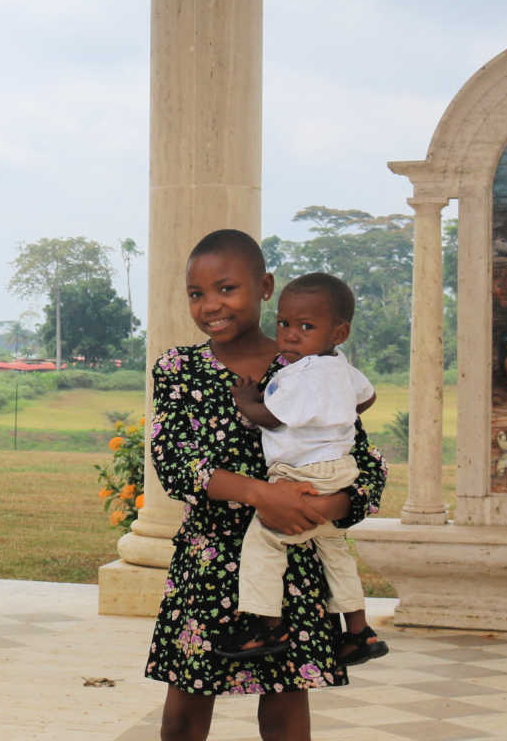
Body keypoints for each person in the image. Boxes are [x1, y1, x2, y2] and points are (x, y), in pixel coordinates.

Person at [145, 229, 387, 741]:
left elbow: (365, 465)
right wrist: (262, 494)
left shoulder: (312, 367)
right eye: (197, 294)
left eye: (227, 289)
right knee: (186, 705)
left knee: (284, 702)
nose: (212, 305)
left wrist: (325, 505)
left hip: (292, 561)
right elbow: (174, 462)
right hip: (208, 563)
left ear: (264, 287)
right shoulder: (178, 369)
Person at [216, 273, 385, 667]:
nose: (291, 335)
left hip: (303, 475)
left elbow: (269, 418)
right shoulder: (339, 366)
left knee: (264, 542)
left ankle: (266, 625)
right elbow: (368, 396)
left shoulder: (304, 372)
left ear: (339, 331)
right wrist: (336, 418)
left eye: (306, 327)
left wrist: (244, 400)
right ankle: (359, 630)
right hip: (339, 470)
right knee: (334, 548)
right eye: (284, 323)